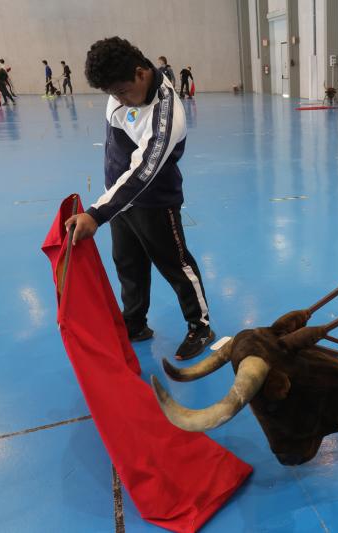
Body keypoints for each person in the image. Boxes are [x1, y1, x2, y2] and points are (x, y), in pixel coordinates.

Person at [64, 36, 215, 360]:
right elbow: (117, 150)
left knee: (175, 264)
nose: (118, 100)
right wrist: (108, 203)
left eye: (121, 91)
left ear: (140, 73)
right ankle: (134, 323)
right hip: (119, 201)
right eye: (112, 93)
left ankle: (201, 327)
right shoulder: (120, 93)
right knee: (128, 264)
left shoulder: (166, 114)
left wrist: (96, 213)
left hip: (154, 202)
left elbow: (143, 171)